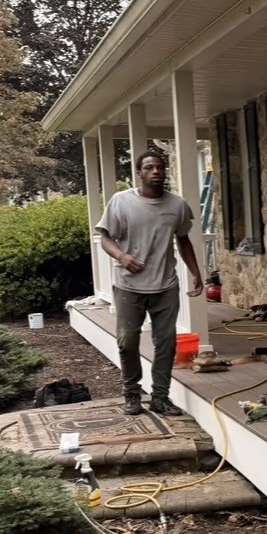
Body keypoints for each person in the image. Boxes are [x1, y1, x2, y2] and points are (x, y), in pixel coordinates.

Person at [96, 150, 204, 416]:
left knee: (166, 344)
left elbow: (184, 239)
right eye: (149, 167)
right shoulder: (121, 202)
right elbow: (105, 237)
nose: (156, 171)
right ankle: (132, 394)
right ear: (139, 173)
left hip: (165, 285)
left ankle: (160, 397)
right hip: (128, 285)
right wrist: (122, 256)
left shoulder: (177, 205)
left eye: (160, 167)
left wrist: (196, 272)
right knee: (127, 342)